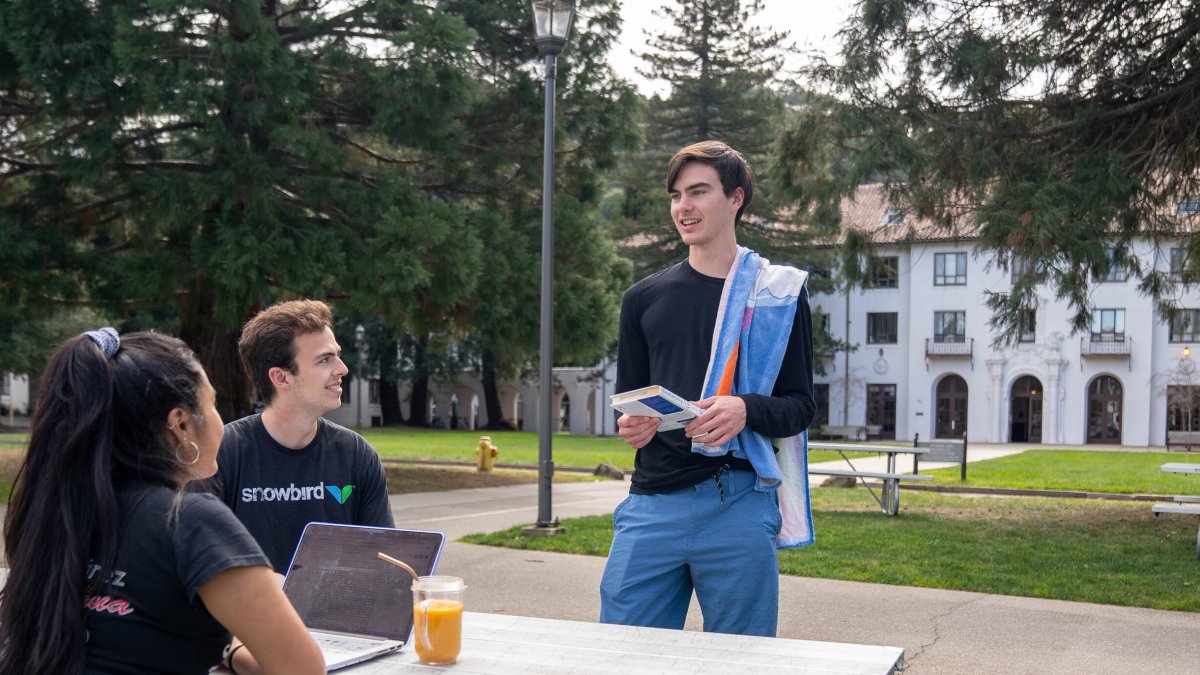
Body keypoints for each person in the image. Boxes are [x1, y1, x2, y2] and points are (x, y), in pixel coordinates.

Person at [0, 329, 323, 675]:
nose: (219, 419)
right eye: (212, 404)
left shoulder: (56, 510)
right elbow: (303, 668)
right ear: (180, 424)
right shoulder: (189, 522)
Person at [599, 141, 816, 637]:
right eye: (676, 195)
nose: (683, 207)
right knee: (620, 656)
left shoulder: (776, 295)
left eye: (698, 192)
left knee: (739, 662)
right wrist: (632, 426)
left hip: (737, 502)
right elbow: (629, 402)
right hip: (651, 504)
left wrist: (745, 408)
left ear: (736, 198)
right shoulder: (642, 299)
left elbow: (800, 407)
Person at [210, 299, 394, 572]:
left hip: (337, 613)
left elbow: (383, 559)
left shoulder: (357, 455)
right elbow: (205, 565)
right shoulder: (224, 453)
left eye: (337, 354)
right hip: (250, 614)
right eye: (325, 359)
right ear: (281, 378)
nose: (342, 368)